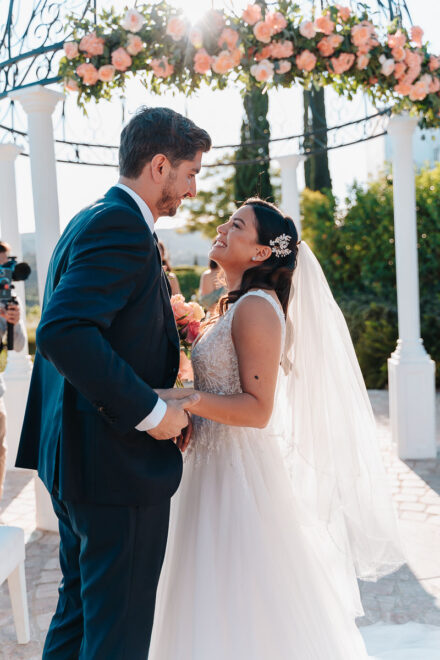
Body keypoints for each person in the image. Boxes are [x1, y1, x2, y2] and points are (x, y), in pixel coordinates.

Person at [148, 199, 437, 659]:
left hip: (237, 477)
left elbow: (258, 410)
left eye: (237, 224)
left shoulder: (257, 308)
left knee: (242, 600)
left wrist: (191, 399)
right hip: (210, 467)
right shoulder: (235, 306)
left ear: (262, 253)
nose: (223, 227)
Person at [15, 106, 210, 659]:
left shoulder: (91, 217)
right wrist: (154, 414)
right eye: (190, 172)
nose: (193, 188)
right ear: (158, 166)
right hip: (114, 472)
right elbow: (64, 332)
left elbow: (105, 335)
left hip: (77, 463)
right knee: (117, 636)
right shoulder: (120, 226)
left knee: (78, 617)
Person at [0, 241, 27, 500]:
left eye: (6, 265)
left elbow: (17, 345)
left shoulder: (9, 299)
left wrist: (14, 323)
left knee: (0, 449)